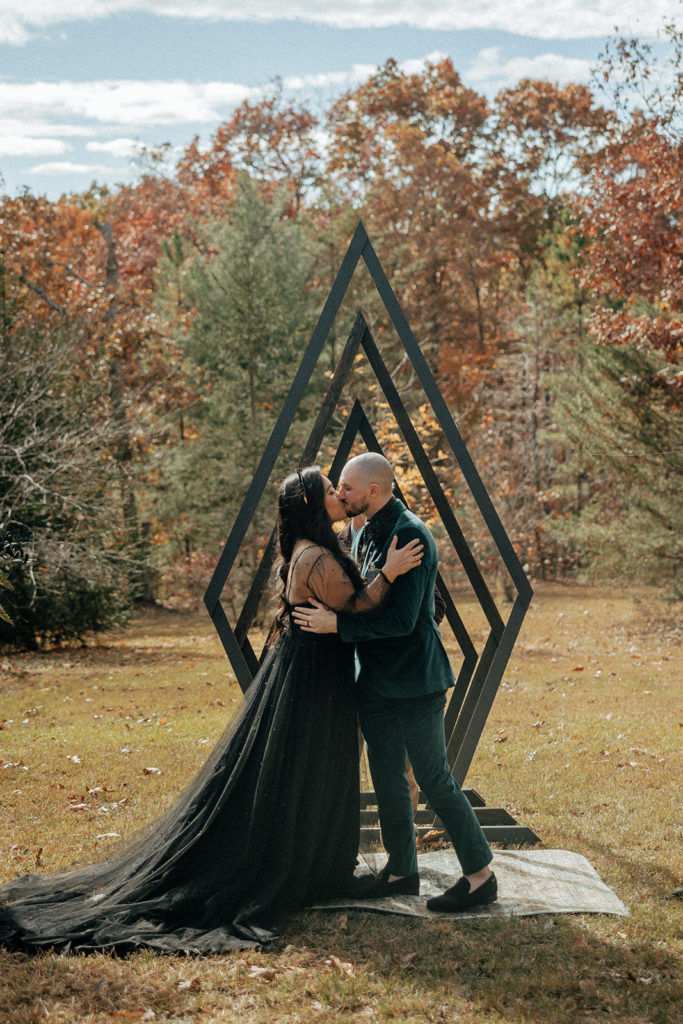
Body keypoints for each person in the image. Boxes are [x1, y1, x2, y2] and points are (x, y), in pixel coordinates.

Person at [0, 466, 422, 954]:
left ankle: (318, 865)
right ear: (311, 505)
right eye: (330, 490)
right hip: (312, 678)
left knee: (316, 766)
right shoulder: (314, 559)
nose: (337, 494)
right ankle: (304, 867)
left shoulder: (315, 548)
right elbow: (359, 605)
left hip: (312, 670)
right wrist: (389, 572)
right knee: (311, 762)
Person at [293, 453, 497, 913]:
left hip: (415, 681)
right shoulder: (363, 529)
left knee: (434, 779)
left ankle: (481, 876)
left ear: (374, 491)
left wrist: (337, 629)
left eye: (346, 486)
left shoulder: (409, 533)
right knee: (387, 779)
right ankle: (402, 871)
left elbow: (405, 620)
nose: (340, 493)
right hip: (376, 682)